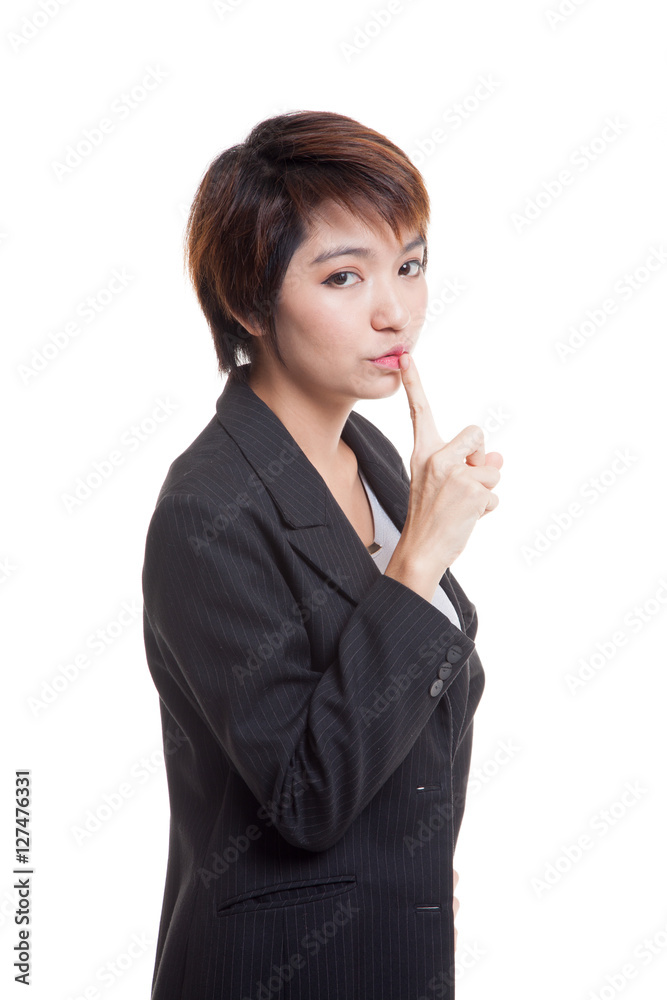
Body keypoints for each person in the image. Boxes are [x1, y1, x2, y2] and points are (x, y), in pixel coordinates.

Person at [141, 109, 503, 1000]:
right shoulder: (205, 510)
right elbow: (306, 798)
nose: (394, 311)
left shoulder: (367, 455)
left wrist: (410, 874)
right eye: (344, 276)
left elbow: (405, 719)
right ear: (247, 303)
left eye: (409, 265)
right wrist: (417, 560)